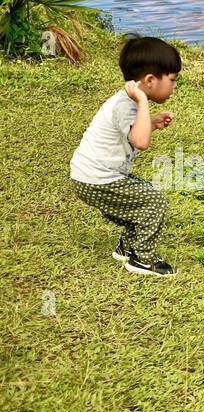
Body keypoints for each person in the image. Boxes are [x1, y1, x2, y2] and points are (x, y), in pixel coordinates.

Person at [70, 35, 180, 276]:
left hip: (91, 175)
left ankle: (126, 248)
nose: (174, 87)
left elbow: (133, 133)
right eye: (172, 80)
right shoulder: (128, 103)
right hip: (96, 178)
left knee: (140, 195)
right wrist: (142, 103)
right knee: (154, 202)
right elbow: (140, 142)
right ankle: (142, 260)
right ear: (150, 80)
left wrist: (151, 123)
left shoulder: (127, 102)